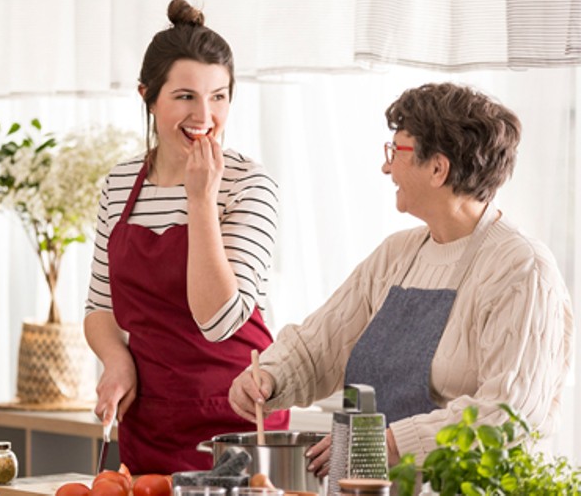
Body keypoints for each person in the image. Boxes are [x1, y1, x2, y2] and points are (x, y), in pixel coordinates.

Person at [228, 82, 574, 476]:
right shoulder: (397, 254)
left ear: (438, 168)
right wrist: (271, 377)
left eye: (396, 151)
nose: (386, 166)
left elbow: (511, 415)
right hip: (372, 484)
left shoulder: (522, 268)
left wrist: (391, 443)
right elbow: (318, 346)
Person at [84, 0, 290, 474]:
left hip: (240, 422)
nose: (205, 115)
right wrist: (117, 361)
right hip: (152, 420)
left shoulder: (248, 185)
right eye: (185, 97)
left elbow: (219, 320)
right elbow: (99, 308)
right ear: (147, 96)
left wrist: (200, 200)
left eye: (219, 96)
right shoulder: (120, 184)